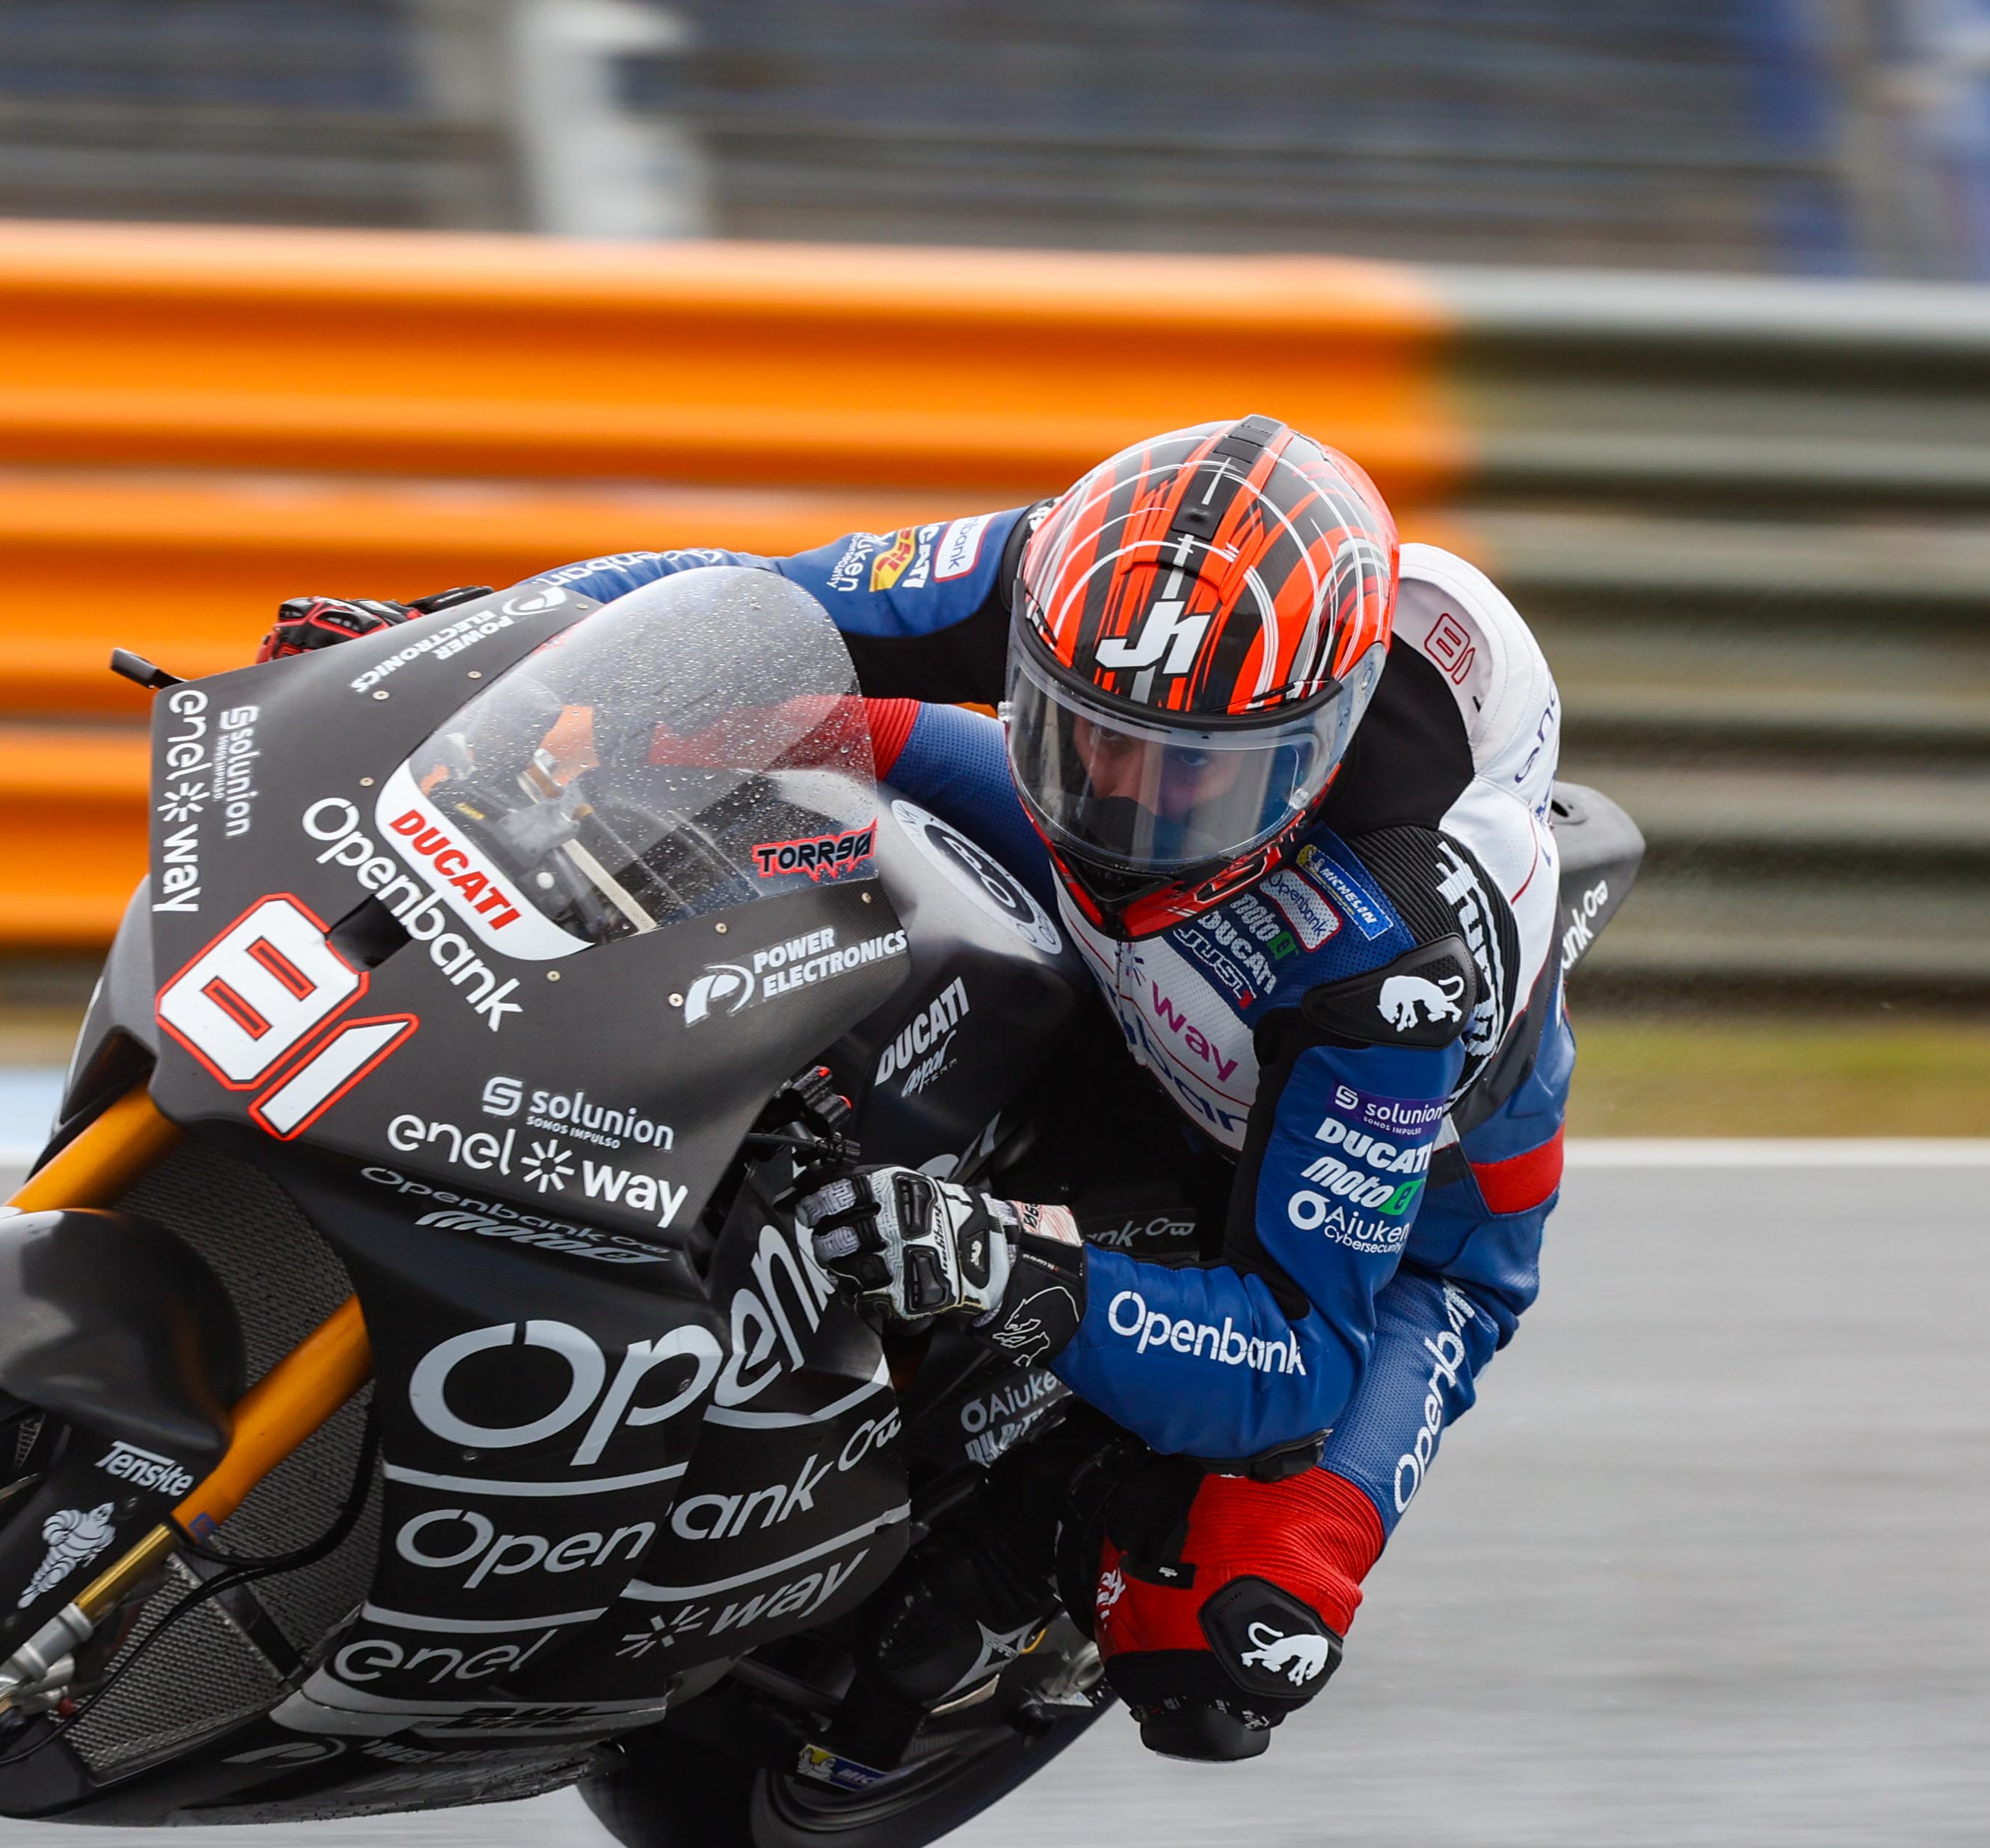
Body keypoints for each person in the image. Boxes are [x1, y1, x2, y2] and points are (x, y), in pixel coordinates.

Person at [255, 415, 1571, 1764]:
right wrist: (453, 645)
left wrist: (1010, 1273)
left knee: (1225, 1647)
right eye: (1084, 736)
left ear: (1319, 753)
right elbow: (740, 606)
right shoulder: (1067, 576)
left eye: (1194, 778)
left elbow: (1296, 1354)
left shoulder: (1397, 954)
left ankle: (1017, 1563)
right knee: (726, 719)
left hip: (1384, 1220)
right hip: (1135, 959)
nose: (1122, 803)